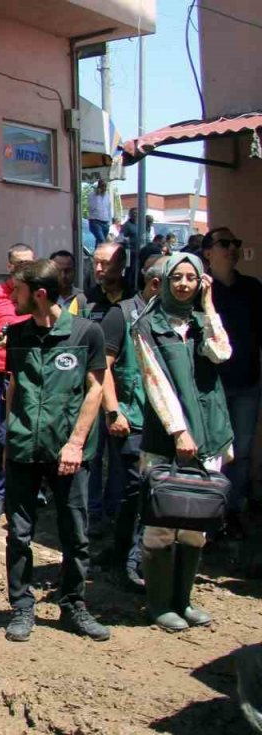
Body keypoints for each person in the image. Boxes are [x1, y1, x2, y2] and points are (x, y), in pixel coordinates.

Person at [2, 259, 110, 642]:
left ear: (40, 294)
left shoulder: (86, 332)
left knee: (75, 534)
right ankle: (21, 607)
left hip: (69, 453)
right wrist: (8, 441)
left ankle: (73, 604)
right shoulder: (17, 334)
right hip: (24, 449)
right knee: (19, 534)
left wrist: (76, 443)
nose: (12, 296)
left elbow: (95, 389)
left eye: (17, 290)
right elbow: (15, 386)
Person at [132, 252, 233, 631]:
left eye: (192, 277)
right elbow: (154, 380)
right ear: (164, 281)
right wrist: (178, 431)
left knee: (196, 521)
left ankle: (183, 601)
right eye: (177, 277)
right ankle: (159, 605)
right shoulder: (148, 324)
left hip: (209, 430)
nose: (184, 284)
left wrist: (209, 307)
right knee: (162, 521)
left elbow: (221, 353)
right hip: (166, 436)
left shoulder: (201, 321)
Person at [99, 253, 164, 590]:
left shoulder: (173, 319)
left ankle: (131, 555)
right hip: (131, 418)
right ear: (154, 283)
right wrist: (114, 411)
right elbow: (101, 368)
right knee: (134, 490)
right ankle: (127, 560)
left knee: (150, 491)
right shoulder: (121, 314)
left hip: (163, 422)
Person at [201, 227, 262, 537]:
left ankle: (234, 510)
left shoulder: (252, 288)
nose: (232, 248)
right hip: (213, 387)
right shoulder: (201, 290)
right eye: (224, 243)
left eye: (235, 242)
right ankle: (211, 511)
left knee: (243, 451)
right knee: (214, 452)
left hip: (247, 383)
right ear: (208, 252)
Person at [0, 243, 36, 522]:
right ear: (9, 266)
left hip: (30, 375)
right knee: (0, 437)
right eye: (19, 263)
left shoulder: (38, 294)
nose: (24, 267)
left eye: (29, 263)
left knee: (32, 433)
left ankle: (31, 490)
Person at [83, 242, 137, 530]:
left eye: (105, 263)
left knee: (121, 458)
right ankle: (92, 515)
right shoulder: (85, 301)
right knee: (91, 457)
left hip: (124, 394)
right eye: (96, 262)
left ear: (122, 264)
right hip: (91, 391)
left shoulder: (136, 300)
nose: (99, 268)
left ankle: (116, 512)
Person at [49, 250, 86, 314]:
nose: (63, 276)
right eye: (58, 271)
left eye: (67, 271)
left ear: (74, 271)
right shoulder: (44, 299)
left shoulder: (84, 298)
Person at [87, 180, 113, 246]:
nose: (104, 188)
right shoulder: (92, 195)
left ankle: (97, 253)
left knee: (99, 244)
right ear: (98, 186)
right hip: (95, 222)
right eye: (102, 186)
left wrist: (109, 222)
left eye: (105, 186)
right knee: (102, 241)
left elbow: (109, 209)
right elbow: (91, 208)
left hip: (105, 223)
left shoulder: (107, 196)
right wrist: (97, 196)